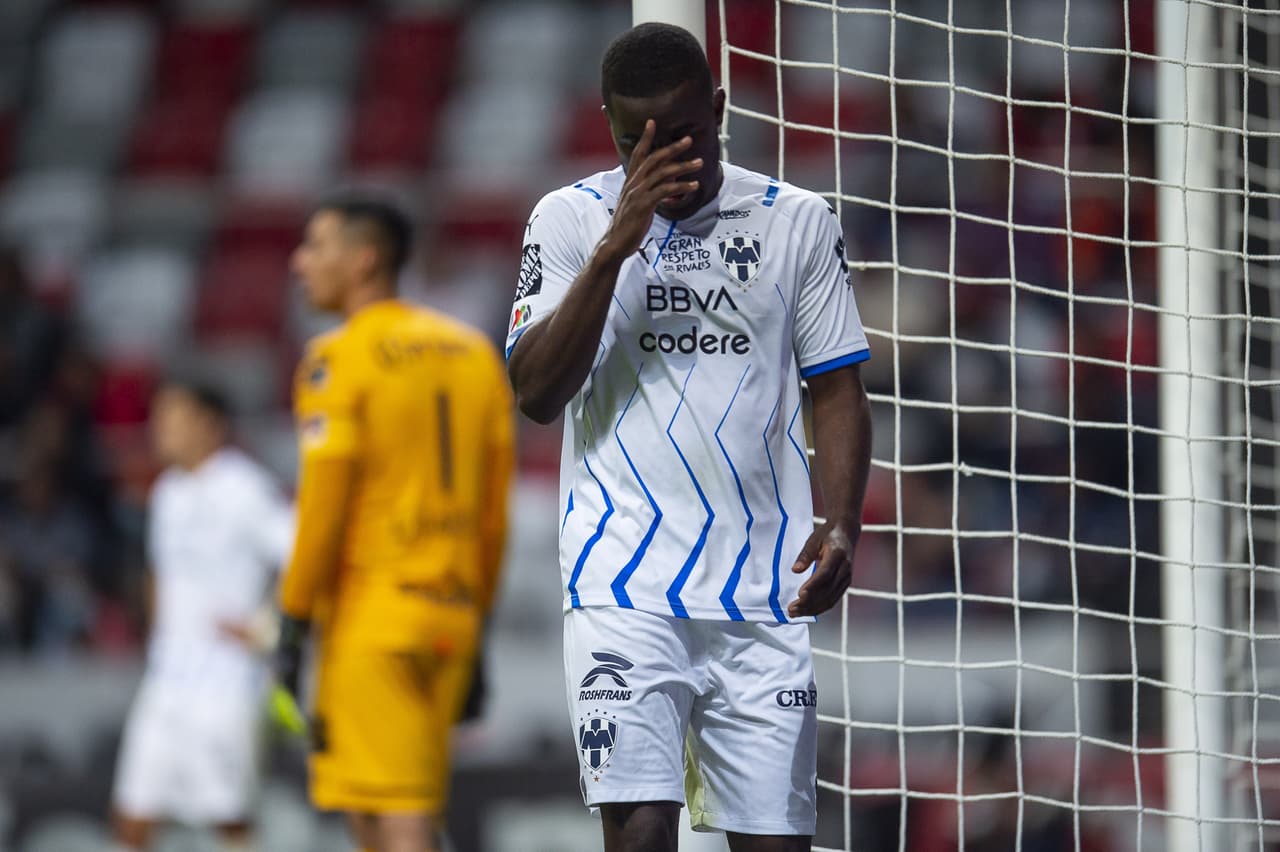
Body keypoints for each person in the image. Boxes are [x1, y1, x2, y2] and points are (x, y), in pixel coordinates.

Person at [506, 23, 873, 852]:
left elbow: (839, 387)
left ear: (718, 108)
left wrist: (842, 520)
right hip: (622, 584)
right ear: (609, 129)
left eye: (684, 136)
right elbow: (535, 393)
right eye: (641, 145)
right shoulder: (568, 220)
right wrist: (615, 248)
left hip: (763, 590)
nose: (666, 160)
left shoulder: (795, 221)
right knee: (639, 838)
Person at [276, 194, 515, 852]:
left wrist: (293, 621)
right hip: (454, 611)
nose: (299, 263)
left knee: (400, 815)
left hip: (372, 616)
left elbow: (322, 508)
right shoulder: (472, 354)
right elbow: (495, 514)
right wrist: (479, 624)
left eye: (315, 247)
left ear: (363, 260)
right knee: (378, 806)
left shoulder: (337, 357)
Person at [111, 378, 294, 852]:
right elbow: (160, 573)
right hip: (166, 682)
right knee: (131, 817)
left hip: (226, 685)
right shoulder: (167, 492)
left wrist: (268, 628)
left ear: (210, 425)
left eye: (173, 418)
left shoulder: (244, 487)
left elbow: (297, 555)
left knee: (228, 821)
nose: (159, 430)